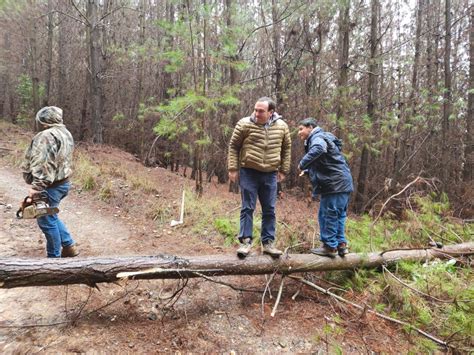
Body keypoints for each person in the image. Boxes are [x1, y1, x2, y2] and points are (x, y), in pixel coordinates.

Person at [228, 97, 291, 258]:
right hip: (249, 171)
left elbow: (286, 148)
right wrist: (233, 168)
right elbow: (234, 146)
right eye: (255, 110)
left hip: (270, 174)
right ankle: (245, 242)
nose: (257, 113)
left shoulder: (282, 127)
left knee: (269, 209)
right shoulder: (244, 124)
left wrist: (283, 169)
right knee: (247, 207)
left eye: (261, 111)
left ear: (271, 112)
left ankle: (268, 243)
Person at [22, 106, 79, 258]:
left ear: (44, 120)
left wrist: (36, 188)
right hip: (61, 183)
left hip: (49, 187)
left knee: (46, 221)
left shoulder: (46, 136)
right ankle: (69, 246)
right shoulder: (64, 133)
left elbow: (44, 164)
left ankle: (54, 260)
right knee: (51, 215)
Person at [297, 118, 353, 258]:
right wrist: (309, 171)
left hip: (334, 184)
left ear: (310, 127)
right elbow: (328, 161)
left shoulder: (318, 137)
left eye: (301, 129)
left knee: (327, 214)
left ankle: (329, 247)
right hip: (343, 182)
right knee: (338, 214)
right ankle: (341, 245)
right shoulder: (325, 137)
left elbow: (319, 149)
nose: (299, 133)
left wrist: (302, 164)